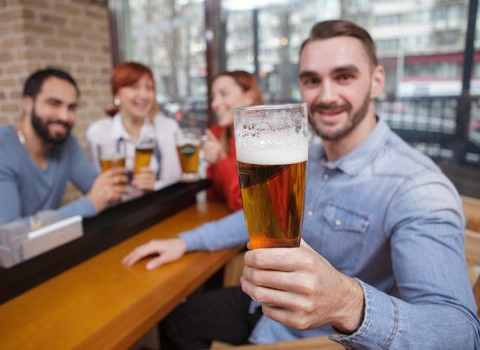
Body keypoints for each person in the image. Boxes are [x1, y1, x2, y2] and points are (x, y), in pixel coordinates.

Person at [122, 20, 480, 349]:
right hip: (266, 308)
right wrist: (183, 242)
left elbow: (460, 334)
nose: (325, 95)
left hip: (324, 339)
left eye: (344, 77)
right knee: (178, 320)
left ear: (377, 80)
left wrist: (346, 302)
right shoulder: (307, 154)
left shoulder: (417, 186)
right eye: (311, 80)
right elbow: (262, 218)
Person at [0, 68, 127, 262]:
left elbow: (104, 192)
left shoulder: (65, 144)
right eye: (54, 104)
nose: (64, 116)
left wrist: (130, 183)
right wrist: (88, 204)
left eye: (71, 107)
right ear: (28, 104)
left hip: (39, 255)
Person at [86, 61, 181, 193]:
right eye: (135, 87)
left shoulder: (168, 127)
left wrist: (155, 186)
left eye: (149, 88)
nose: (143, 95)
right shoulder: (99, 132)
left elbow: (175, 182)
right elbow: (98, 187)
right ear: (117, 93)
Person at [204, 71, 263, 211]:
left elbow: (244, 206)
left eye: (224, 94)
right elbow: (212, 198)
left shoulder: (261, 140)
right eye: (213, 97)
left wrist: (221, 159)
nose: (215, 104)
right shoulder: (217, 134)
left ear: (249, 97)